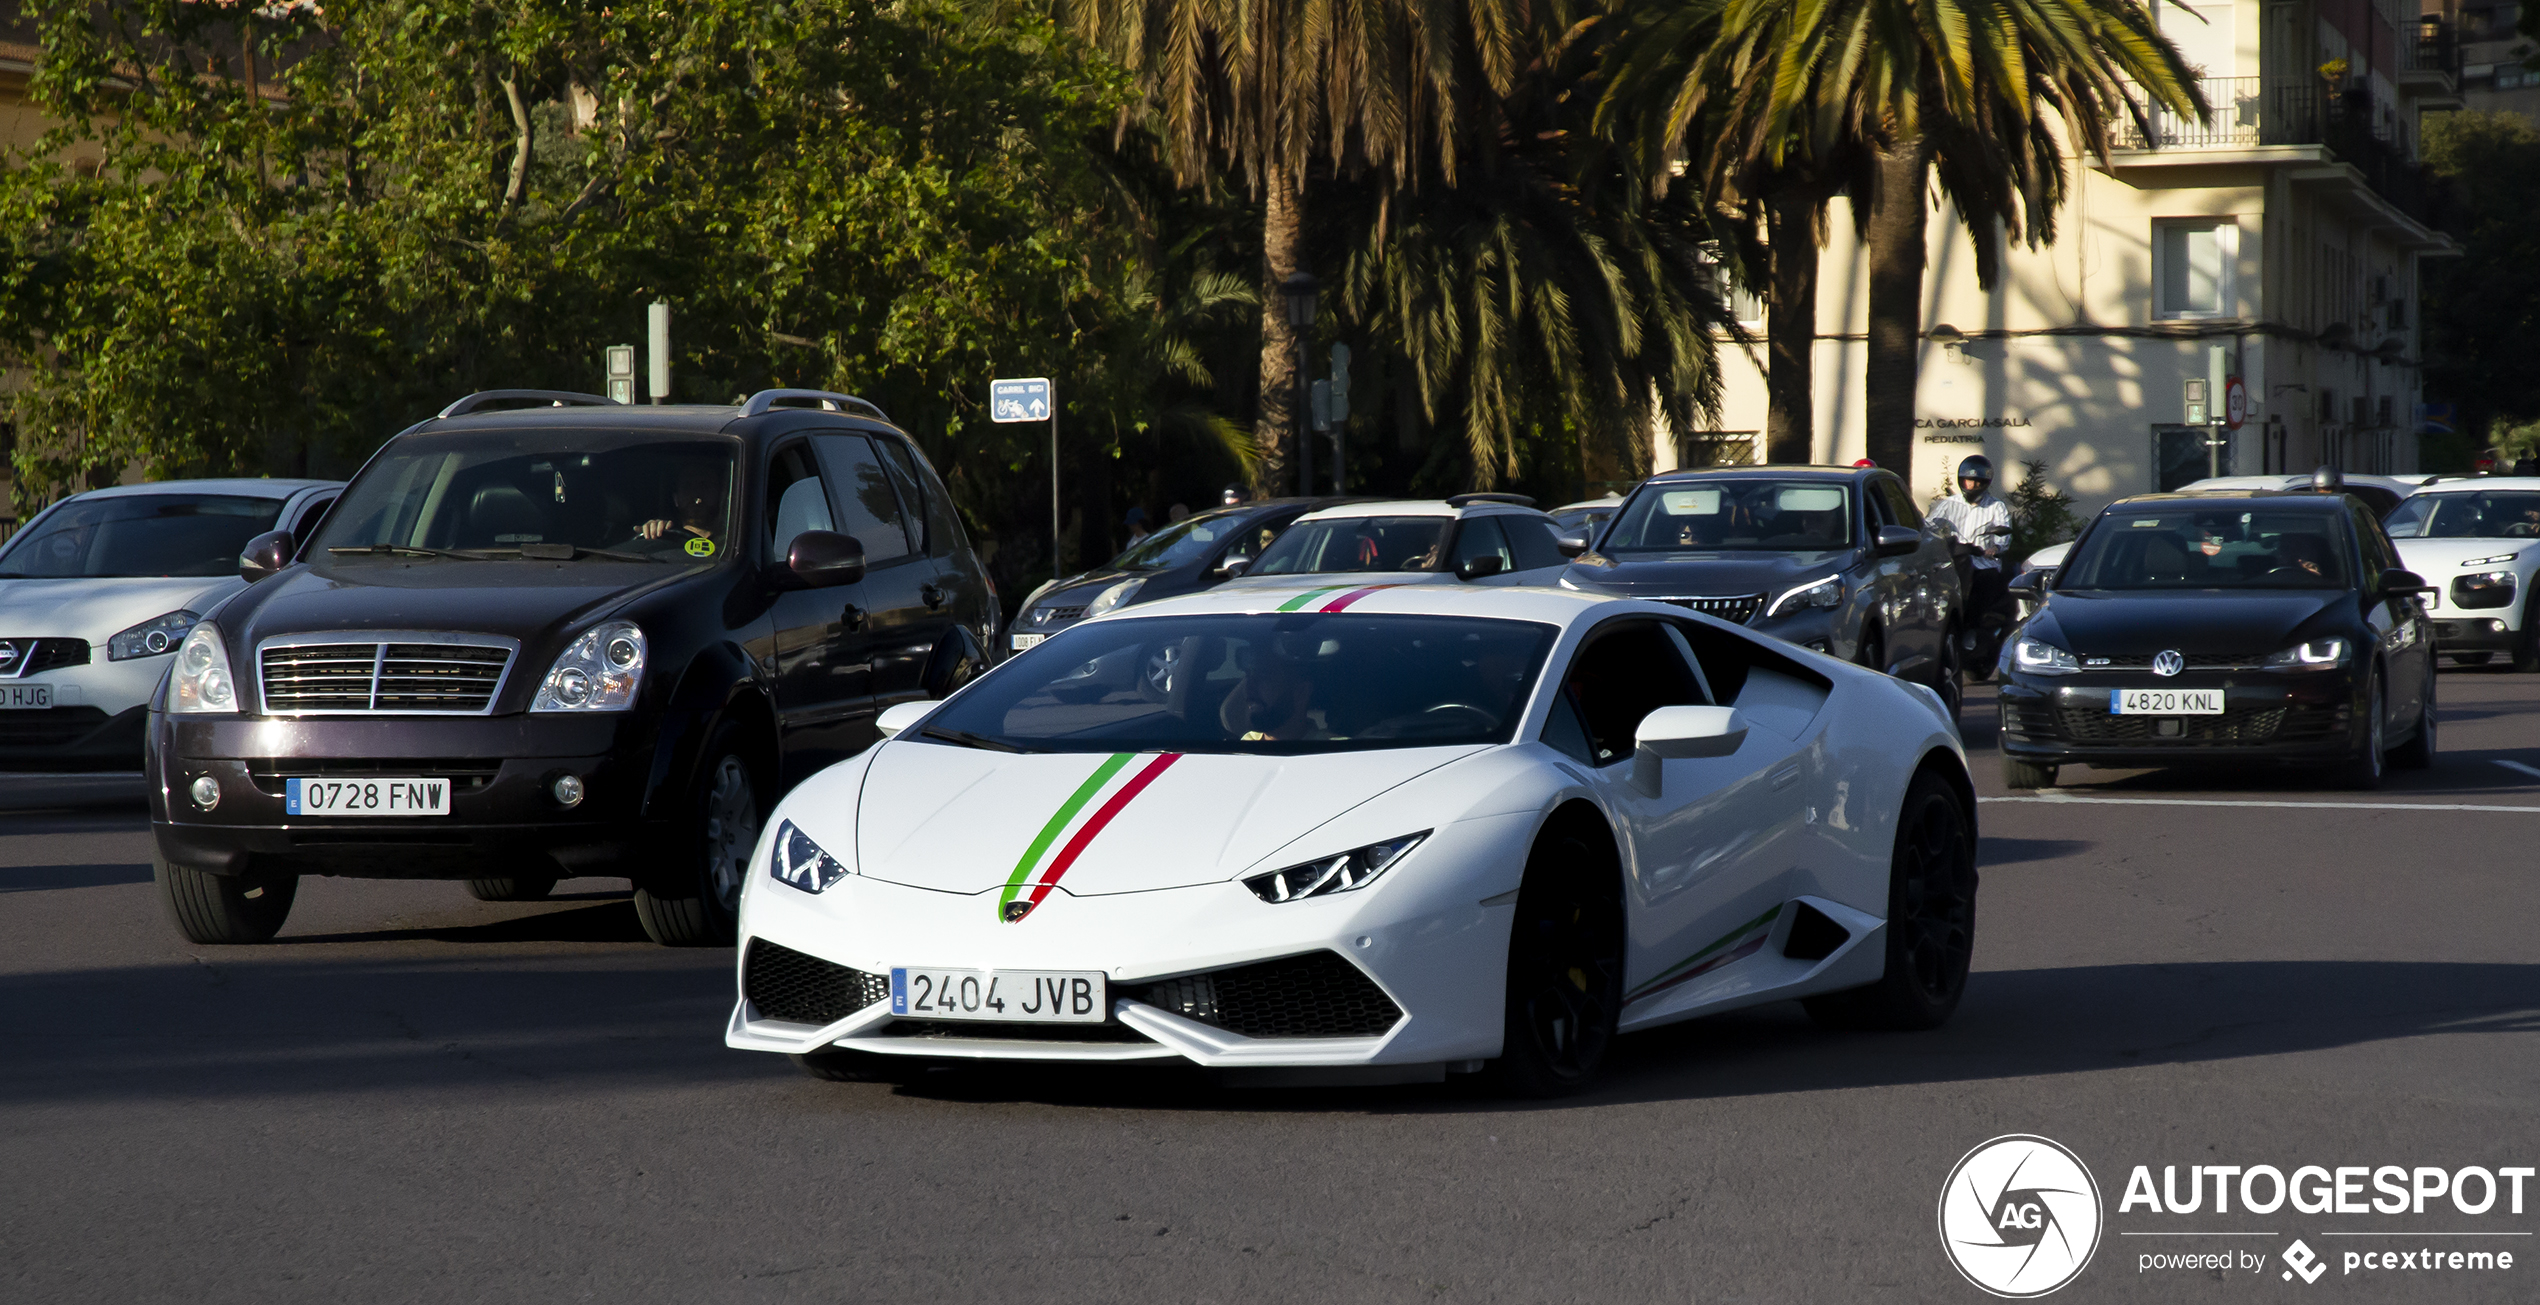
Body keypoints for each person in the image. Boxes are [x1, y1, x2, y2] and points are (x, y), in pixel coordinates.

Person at [1928, 455, 2014, 631]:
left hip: (1983, 562)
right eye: (1969, 480)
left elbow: (2003, 531)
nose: (1972, 485)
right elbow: (1930, 525)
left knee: (1984, 585)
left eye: (1977, 482)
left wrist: (1996, 547)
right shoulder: (1949, 504)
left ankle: (1973, 629)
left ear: (1985, 483)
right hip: (1955, 559)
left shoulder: (1996, 506)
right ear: (1961, 480)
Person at [1220, 646, 1328, 741]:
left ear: (1302, 692)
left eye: (1263, 677)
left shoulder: (1333, 753)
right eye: (1248, 676)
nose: (1248, 688)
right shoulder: (1242, 744)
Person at [639, 463, 724, 545]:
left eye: (704, 487)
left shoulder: (732, 544)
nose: (696, 496)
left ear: (719, 495)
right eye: (687, 487)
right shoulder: (664, 539)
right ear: (676, 499)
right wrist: (653, 531)